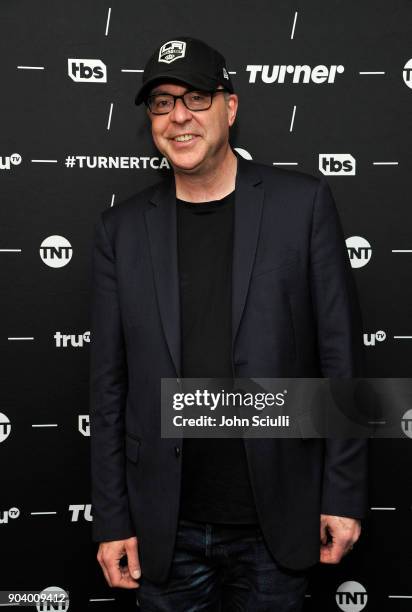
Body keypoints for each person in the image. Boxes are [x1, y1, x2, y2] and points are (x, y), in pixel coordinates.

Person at [89, 36, 368, 611]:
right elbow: (108, 384)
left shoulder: (303, 204)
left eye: (194, 97)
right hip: (165, 526)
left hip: (277, 522)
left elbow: (342, 358)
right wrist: (112, 516)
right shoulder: (120, 230)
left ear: (230, 107)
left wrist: (343, 493)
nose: (179, 117)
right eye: (162, 103)